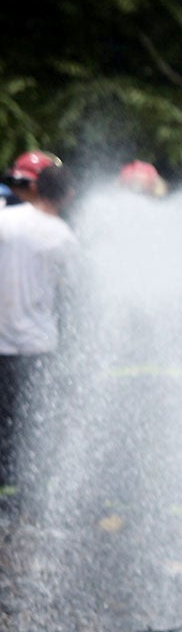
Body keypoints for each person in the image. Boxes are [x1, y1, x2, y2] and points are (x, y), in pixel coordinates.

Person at [0, 152, 76, 502]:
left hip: (2, 342)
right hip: (38, 345)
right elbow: (75, 289)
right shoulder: (63, 238)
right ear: (67, 196)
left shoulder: (6, 221)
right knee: (31, 426)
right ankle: (27, 496)